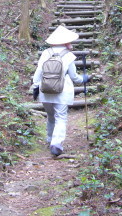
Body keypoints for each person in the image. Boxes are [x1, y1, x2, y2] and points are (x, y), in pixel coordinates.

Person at [31, 25, 90, 156]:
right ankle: (56, 144)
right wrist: (84, 79)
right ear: (65, 42)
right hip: (62, 92)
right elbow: (75, 78)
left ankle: (49, 138)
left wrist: (35, 87)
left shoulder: (46, 53)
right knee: (61, 118)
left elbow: (38, 72)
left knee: (51, 116)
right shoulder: (69, 56)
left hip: (45, 91)